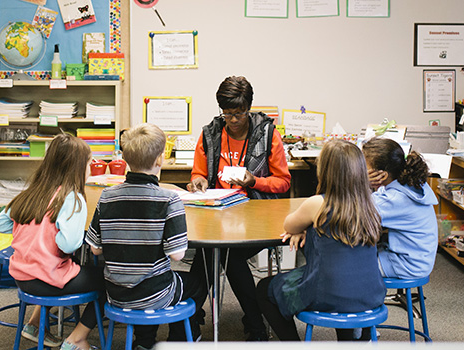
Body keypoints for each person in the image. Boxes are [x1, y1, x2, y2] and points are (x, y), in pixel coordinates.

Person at [187, 75, 291, 341]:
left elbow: (283, 183)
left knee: (225, 254)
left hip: (257, 216)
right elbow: (198, 173)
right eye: (227, 113)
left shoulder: (267, 134)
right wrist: (197, 181)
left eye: (239, 113)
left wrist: (254, 180)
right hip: (218, 215)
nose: (232, 120)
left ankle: (191, 319)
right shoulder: (211, 133)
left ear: (249, 108)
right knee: (213, 250)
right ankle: (194, 320)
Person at [86, 123, 207, 350]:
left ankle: (144, 341)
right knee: (195, 283)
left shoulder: (107, 196)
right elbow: (178, 254)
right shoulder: (169, 199)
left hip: (115, 293)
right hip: (154, 293)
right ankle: (179, 340)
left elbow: (95, 249)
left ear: (125, 157)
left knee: (145, 279)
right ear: (160, 159)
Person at [256, 139, 386, 341]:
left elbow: (289, 226)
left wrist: (302, 228)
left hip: (327, 293)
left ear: (324, 171)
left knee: (265, 289)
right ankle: (352, 341)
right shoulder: (370, 204)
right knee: (341, 279)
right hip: (371, 293)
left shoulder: (318, 204)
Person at [0, 133, 104, 350]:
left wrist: (37, 232)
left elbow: (0, 225)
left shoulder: (32, 192)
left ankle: (34, 324)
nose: (93, 165)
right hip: (47, 279)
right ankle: (77, 339)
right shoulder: (73, 198)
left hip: (23, 277)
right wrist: (51, 235)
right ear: (77, 166)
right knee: (112, 281)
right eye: (90, 161)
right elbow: (68, 245)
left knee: (67, 267)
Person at [362, 138, 438, 279]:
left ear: (381, 175)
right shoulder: (408, 184)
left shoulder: (393, 200)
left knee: (346, 267)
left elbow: (353, 210)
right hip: (418, 260)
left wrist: (361, 183)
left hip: (406, 265)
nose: (359, 170)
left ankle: (363, 300)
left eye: (362, 167)